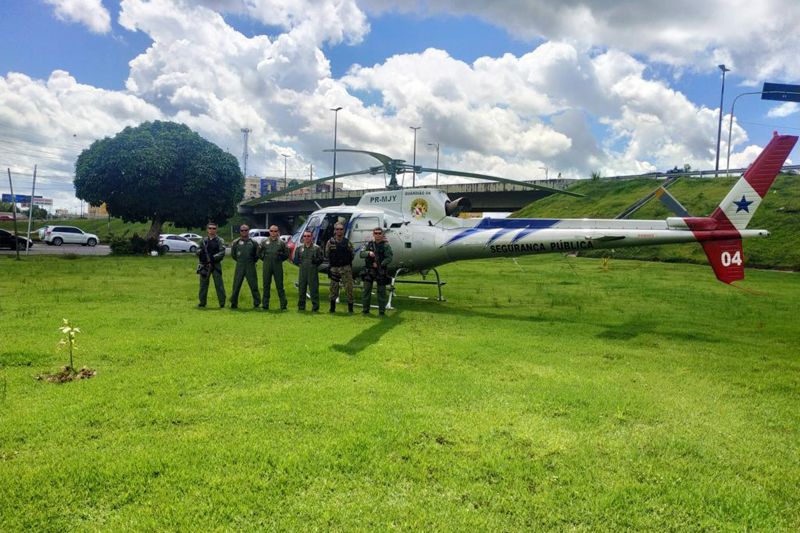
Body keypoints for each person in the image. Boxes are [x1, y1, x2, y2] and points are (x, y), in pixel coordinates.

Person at [360, 227, 393, 315]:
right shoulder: (369, 244)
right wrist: (368, 253)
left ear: (382, 235)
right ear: (373, 234)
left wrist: (380, 264)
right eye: (376, 233)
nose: (377, 235)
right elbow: (361, 254)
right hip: (369, 270)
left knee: (381, 292)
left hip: (380, 271)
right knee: (366, 290)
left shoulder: (386, 246)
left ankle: (382, 311)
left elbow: (389, 258)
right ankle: (365, 310)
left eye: (379, 233)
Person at [324, 222, 355, 313]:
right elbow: (327, 254)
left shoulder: (347, 242)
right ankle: (332, 308)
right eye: (337, 229)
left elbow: (352, 254)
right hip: (334, 268)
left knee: (349, 288)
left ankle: (350, 309)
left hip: (346, 268)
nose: (339, 231)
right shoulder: (330, 242)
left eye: (341, 229)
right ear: (335, 230)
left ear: (343, 230)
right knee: (333, 288)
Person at [258, 225, 289, 310]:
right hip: (267, 265)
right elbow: (259, 252)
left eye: (275, 231)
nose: (273, 233)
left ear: (278, 232)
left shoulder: (281, 243)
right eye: (271, 231)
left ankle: (283, 305)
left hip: (277, 265)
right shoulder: (264, 242)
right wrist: (264, 258)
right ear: (269, 231)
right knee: (266, 285)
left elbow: (287, 254)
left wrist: (281, 258)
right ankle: (265, 304)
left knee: (280, 285)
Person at [229, 224, 260, 309]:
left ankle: (257, 303)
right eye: (242, 230)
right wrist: (240, 261)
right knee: (236, 285)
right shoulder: (236, 242)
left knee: (253, 285)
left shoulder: (253, 242)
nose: (244, 232)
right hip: (240, 265)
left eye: (246, 230)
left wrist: (253, 261)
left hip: (250, 265)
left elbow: (257, 254)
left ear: (248, 231)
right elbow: (233, 255)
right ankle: (233, 303)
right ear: (240, 231)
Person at [196, 222, 227, 308]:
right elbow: (197, 250)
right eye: (210, 228)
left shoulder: (220, 240)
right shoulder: (203, 240)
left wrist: (213, 258)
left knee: (219, 284)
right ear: (207, 230)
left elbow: (222, 252)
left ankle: (222, 303)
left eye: (214, 228)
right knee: (203, 285)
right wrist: (200, 252)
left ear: (216, 230)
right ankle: (202, 302)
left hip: (215, 265)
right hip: (204, 265)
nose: (212, 230)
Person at [293, 229, 323, 311]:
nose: (306, 238)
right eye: (305, 236)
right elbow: (295, 260)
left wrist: (315, 261)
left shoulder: (316, 248)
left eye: (308, 236)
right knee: (301, 289)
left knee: (314, 290)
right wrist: (298, 262)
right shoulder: (299, 248)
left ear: (312, 237)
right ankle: (301, 307)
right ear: (303, 237)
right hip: (302, 271)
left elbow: (321, 259)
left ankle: (315, 307)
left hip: (312, 271)